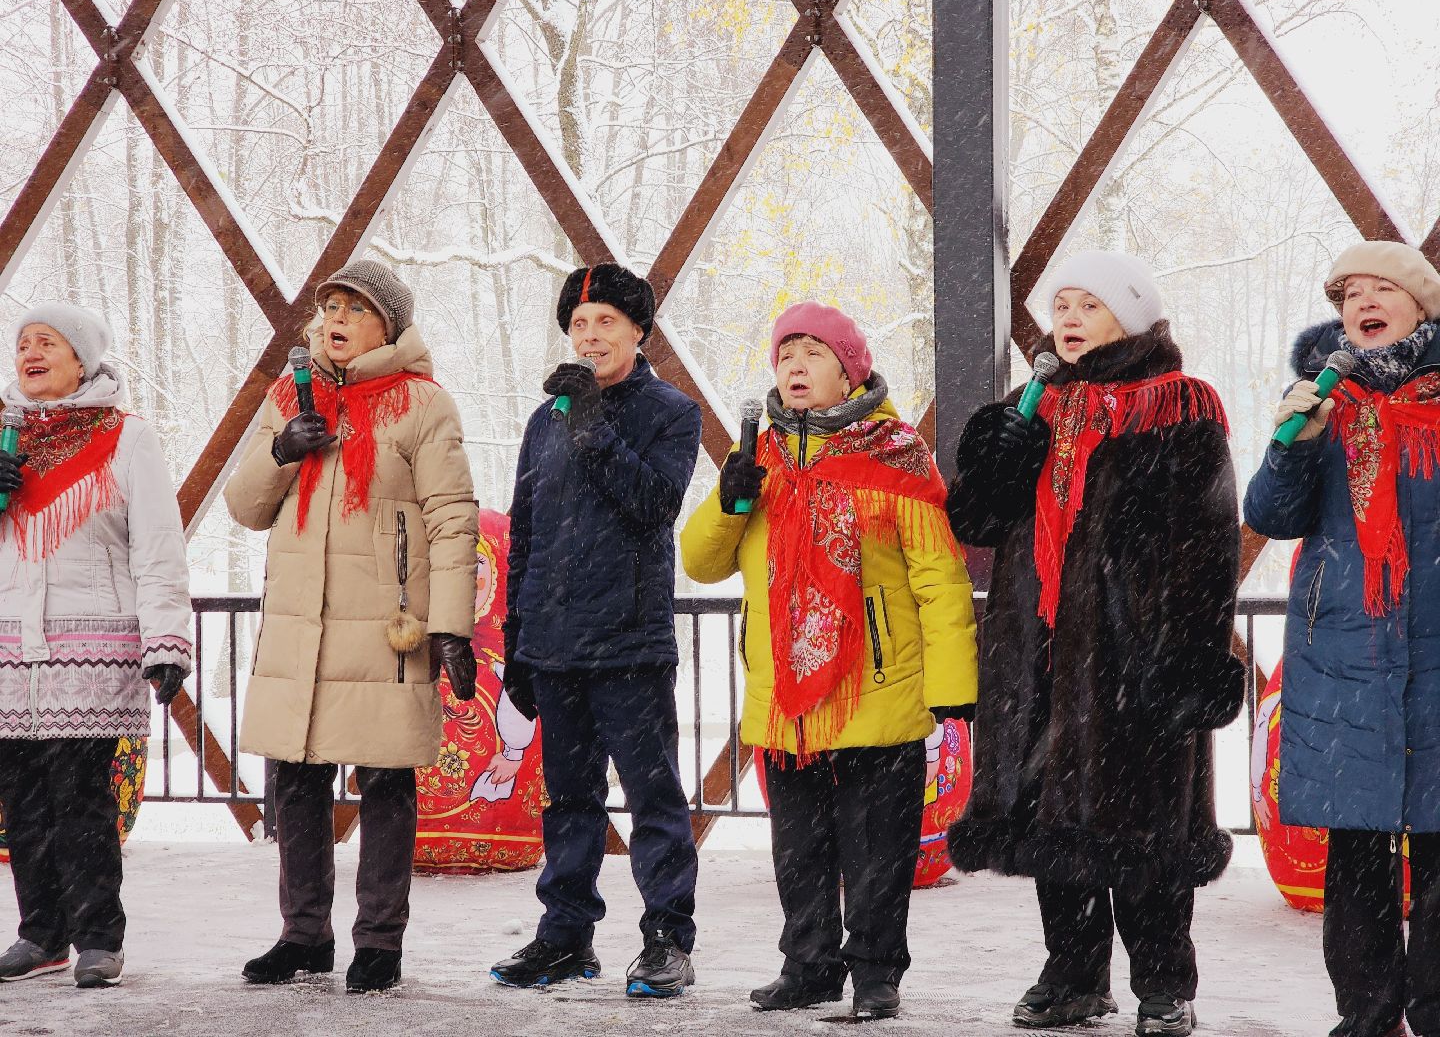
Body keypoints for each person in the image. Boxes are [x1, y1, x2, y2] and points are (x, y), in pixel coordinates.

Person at [947, 251, 1242, 1037]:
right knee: (1052, 825)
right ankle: (1073, 975)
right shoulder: (1031, 404)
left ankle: (1162, 981)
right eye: (1062, 306)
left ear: (1133, 316)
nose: (1068, 319)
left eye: (1088, 305)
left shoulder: (1178, 403)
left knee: (1145, 825)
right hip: (1037, 649)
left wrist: (1191, 649)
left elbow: (1208, 538)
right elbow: (974, 525)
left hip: (1135, 654)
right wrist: (993, 460)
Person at [680, 301, 978, 1020]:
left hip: (877, 688)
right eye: (785, 356)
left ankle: (876, 975)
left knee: (878, 856)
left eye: (812, 355)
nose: (795, 368)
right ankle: (808, 966)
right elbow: (700, 559)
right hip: (785, 697)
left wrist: (952, 689)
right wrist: (730, 501)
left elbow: (938, 577)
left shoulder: (895, 456)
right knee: (799, 851)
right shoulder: (757, 459)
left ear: (850, 371)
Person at [225, 259, 478, 993]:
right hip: (302, 629)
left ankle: (378, 942)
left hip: (383, 626)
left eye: (355, 307)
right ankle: (303, 935)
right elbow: (245, 508)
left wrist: (451, 626)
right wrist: (281, 451)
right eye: (330, 303)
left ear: (388, 326)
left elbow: (452, 517)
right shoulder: (290, 395)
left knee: (386, 782)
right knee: (296, 782)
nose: (335, 317)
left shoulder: (423, 404)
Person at [489, 262, 702, 999]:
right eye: (579, 325)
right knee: (569, 801)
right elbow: (529, 532)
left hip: (631, 644)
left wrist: (591, 425)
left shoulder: (670, 411)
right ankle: (564, 938)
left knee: (654, 799)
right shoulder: (542, 421)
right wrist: (518, 644)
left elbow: (653, 504)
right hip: (554, 645)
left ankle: (667, 939)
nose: (590, 336)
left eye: (605, 322)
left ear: (638, 331)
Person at [1244, 241, 1440, 1037]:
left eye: (1379, 288)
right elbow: (1269, 515)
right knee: (1355, 863)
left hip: (1433, 659)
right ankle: (1365, 1017)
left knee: (1437, 859)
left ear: (1418, 306)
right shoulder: (1322, 407)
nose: (1362, 300)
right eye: (1348, 291)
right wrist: (1290, 440)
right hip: (1343, 658)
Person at [0, 303, 193, 988]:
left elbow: (158, 544)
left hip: (93, 644)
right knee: (20, 800)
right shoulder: (3, 437)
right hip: (11, 649)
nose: (31, 352)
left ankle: (97, 938)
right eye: (23, 343)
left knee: (80, 795)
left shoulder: (125, 437)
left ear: (82, 358)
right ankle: (40, 933)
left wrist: (167, 640)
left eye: (47, 342)